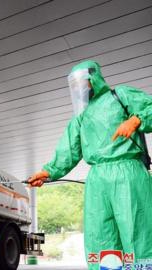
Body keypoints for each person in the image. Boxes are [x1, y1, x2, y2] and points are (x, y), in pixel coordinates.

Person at [28, 60, 152, 269]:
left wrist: (137, 119)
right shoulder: (81, 117)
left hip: (128, 172)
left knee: (136, 231)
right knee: (100, 233)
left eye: (81, 83)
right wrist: (48, 172)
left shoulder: (120, 95)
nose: (78, 89)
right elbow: (68, 150)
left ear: (93, 79)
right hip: (97, 180)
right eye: (73, 85)